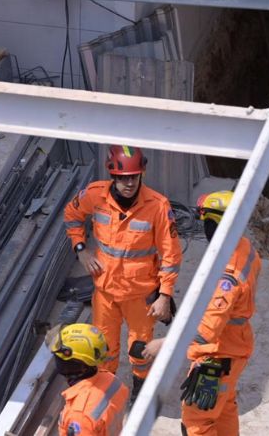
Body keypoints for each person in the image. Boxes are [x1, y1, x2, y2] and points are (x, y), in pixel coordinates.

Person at [64, 145, 182, 401]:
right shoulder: (95, 195)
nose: (129, 183)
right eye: (123, 178)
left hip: (140, 297)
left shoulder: (157, 206)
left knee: (141, 351)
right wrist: (81, 249)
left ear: (142, 173)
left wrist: (165, 295)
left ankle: (141, 395)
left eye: (134, 176)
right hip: (105, 293)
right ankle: (107, 395)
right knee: (104, 350)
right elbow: (72, 215)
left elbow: (171, 255)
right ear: (113, 176)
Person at [143, 190, 260, 436]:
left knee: (197, 421)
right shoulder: (245, 247)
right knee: (224, 407)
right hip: (236, 346)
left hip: (219, 354)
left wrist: (164, 343)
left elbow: (206, 331)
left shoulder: (226, 275)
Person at [51, 323, 129, 436]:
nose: (56, 359)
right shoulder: (111, 380)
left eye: (58, 357)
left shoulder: (79, 416)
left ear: (78, 364)